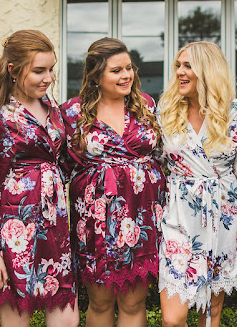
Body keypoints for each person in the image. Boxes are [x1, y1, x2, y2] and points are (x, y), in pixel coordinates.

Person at [0, 30, 78, 326]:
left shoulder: (53, 110)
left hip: (55, 227)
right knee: (18, 319)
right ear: (14, 71)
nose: (48, 77)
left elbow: (66, 165)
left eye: (51, 69)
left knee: (67, 318)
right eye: (39, 71)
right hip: (14, 230)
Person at [60, 37, 165, 327]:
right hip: (96, 219)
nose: (126, 75)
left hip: (141, 215)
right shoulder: (72, 112)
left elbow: (162, 156)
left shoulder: (145, 105)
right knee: (101, 300)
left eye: (129, 68)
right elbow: (62, 165)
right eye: (116, 70)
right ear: (96, 75)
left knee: (133, 302)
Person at [157, 41, 237, 327]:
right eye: (178, 66)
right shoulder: (166, 111)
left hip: (223, 215)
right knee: (173, 318)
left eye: (188, 66)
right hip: (179, 216)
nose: (180, 72)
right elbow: (158, 162)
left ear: (207, 70)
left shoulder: (235, 113)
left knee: (210, 313)